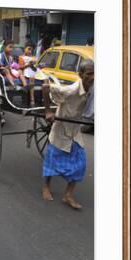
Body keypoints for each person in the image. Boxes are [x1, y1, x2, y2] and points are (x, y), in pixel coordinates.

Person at [41, 59, 95, 209]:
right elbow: (45, 87)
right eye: (89, 74)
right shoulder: (70, 90)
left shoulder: (93, 89)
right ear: (81, 74)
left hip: (75, 131)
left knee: (81, 164)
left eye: (95, 73)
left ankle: (68, 195)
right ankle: (46, 186)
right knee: (52, 162)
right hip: (61, 129)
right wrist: (48, 111)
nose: (92, 77)